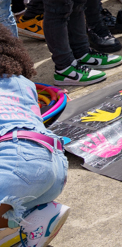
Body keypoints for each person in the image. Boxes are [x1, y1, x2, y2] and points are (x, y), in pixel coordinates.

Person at [0, 25, 71, 247]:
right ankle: (32, 220)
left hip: (17, 165)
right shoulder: (23, 82)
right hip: (54, 166)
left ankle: (16, 226)